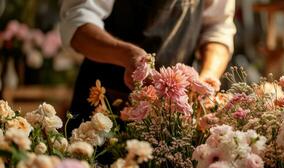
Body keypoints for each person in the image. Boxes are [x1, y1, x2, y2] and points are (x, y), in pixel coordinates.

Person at [60, 0, 236, 128]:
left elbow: (218, 26)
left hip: (176, 116)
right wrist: (127, 55)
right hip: (104, 106)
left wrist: (208, 76)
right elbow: (76, 20)